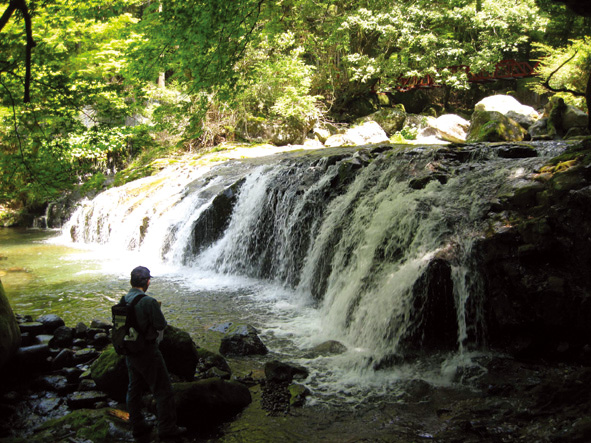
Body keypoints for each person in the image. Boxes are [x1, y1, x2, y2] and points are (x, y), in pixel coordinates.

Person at [124, 266, 186, 441]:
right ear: (147, 282)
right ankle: (167, 428)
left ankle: (137, 424)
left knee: (133, 388)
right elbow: (161, 325)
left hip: (130, 350)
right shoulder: (148, 302)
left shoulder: (124, 299)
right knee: (163, 389)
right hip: (147, 351)